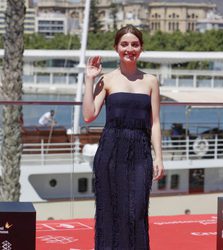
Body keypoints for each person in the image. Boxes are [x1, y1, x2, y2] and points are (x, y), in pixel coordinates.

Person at [83, 24, 164, 249]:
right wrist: (89, 79)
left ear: (141, 48)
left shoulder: (151, 81)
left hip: (140, 152)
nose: (130, 49)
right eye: (125, 44)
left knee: (136, 211)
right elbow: (89, 115)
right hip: (110, 152)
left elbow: (155, 122)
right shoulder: (107, 80)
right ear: (116, 48)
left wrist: (159, 157)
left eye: (135, 44)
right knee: (109, 212)